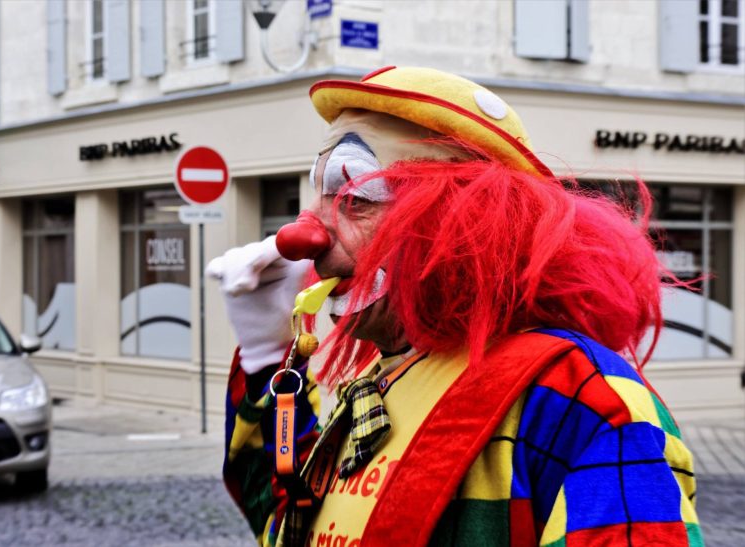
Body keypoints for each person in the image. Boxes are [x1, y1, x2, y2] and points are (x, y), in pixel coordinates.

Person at [208, 66, 703, 547]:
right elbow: (287, 520)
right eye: (318, 199)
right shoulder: (383, 378)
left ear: (468, 223)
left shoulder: (579, 396)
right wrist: (263, 354)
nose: (304, 237)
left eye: (355, 197)